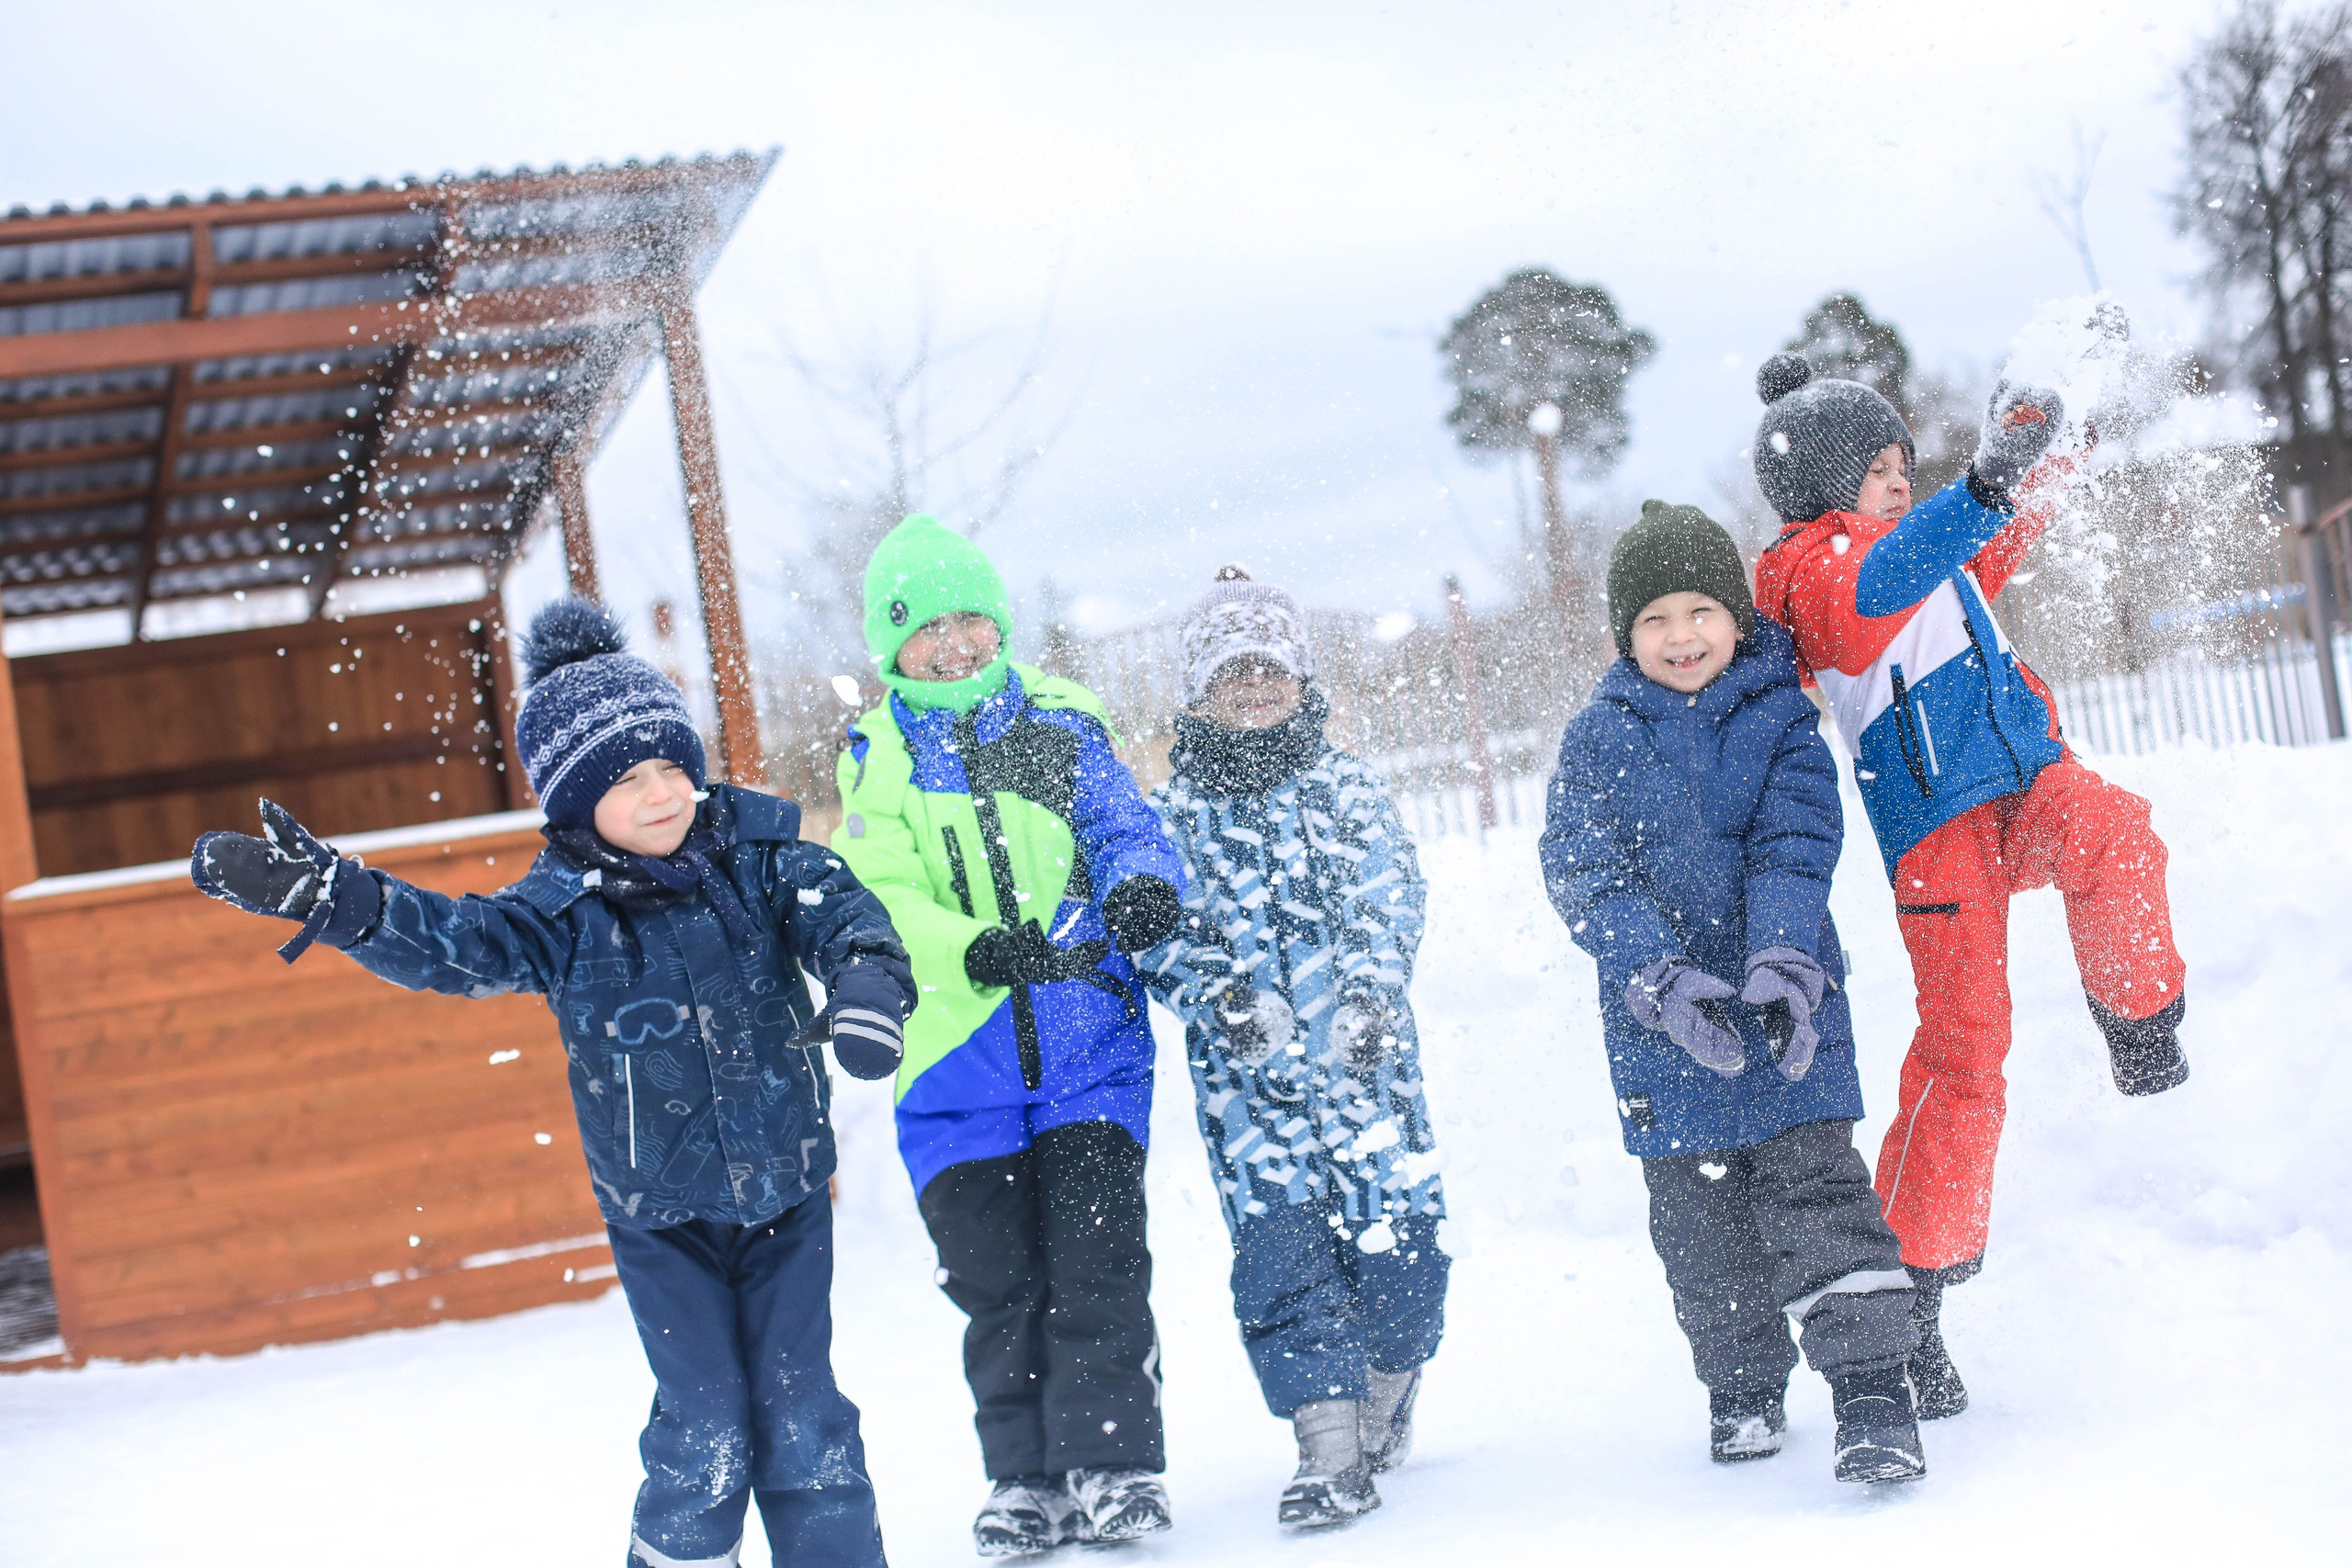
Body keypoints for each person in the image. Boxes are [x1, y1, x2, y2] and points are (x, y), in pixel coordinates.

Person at [189, 598, 913, 1568]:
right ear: (576, 807)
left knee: (803, 1414)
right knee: (704, 1430)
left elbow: (851, 922)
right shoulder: (560, 916)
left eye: (670, 766)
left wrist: (867, 990)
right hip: (661, 1221)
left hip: (786, 1193)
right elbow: (455, 947)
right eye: (626, 781)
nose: (660, 793)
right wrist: (345, 903)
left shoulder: (766, 864)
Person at [1748, 353, 2188, 1416]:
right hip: (1935, 835)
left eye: (1908, 462)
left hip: (2024, 780)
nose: (1901, 479)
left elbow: (1992, 536)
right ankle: (1914, 1304)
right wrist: (1979, 484)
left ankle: (2141, 1021)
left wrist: (2052, 442)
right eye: (1877, 467)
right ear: (1819, 483)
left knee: (2113, 830)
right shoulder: (1813, 573)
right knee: (1966, 1053)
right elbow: (1875, 591)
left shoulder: (1931, 551)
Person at [1540, 502, 1926, 1484]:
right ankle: (1744, 1386)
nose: (1681, 636)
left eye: (1701, 611)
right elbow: (1583, 871)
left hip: (1783, 1012)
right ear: (1625, 637)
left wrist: (1784, 960)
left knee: (1821, 1200)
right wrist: (1652, 975)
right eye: (1655, 619)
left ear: (1737, 619)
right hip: (1662, 1037)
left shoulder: (1782, 716)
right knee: (1702, 1236)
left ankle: (1875, 1390)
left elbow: (1794, 846)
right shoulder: (1593, 742)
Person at [831, 514, 1185, 1558]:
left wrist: (1142, 889)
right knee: (998, 1287)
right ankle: (1026, 1480)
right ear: (889, 645)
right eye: (925, 628)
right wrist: (973, 950)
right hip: (954, 1068)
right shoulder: (879, 755)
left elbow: (1126, 828)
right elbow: (881, 895)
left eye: (970, 620)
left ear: (1000, 623)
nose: (953, 645)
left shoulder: (1062, 718)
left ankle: (1113, 1463)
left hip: (1090, 1052)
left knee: (1099, 1264)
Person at [1138, 568, 1447, 1529]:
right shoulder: (1174, 815)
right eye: (1233, 674)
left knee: (1404, 1261)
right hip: (1251, 1094)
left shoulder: (1344, 786)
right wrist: (1214, 992)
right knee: (1284, 1262)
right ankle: (1328, 1445)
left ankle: (1387, 1390)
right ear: (1200, 694)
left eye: (1271, 669)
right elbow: (1153, 925)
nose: (1255, 687)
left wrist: (1368, 990)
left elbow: (1393, 893)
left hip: (1369, 1077)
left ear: (1301, 679)